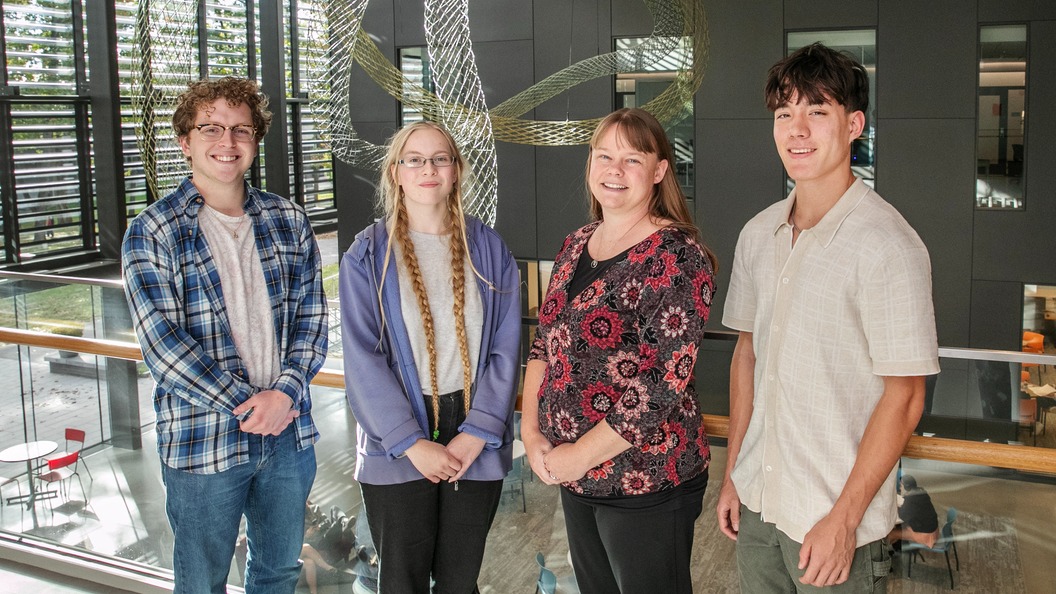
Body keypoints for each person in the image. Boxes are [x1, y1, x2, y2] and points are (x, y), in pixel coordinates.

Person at [716, 42, 940, 592]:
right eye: (784, 113)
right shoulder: (756, 233)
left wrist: (844, 521)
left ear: (853, 124)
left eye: (817, 112)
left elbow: (905, 396)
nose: (798, 130)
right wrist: (732, 478)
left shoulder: (889, 245)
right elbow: (747, 358)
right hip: (757, 507)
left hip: (834, 526)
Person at [122, 77, 327, 593]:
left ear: (255, 140)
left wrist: (284, 394)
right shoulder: (153, 231)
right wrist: (251, 404)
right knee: (201, 581)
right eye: (210, 128)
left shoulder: (288, 220)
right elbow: (163, 348)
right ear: (185, 140)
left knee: (278, 572)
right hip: (201, 442)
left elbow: (312, 320)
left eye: (240, 130)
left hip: (287, 436)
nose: (227, 142)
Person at [520, 107, 717, 594]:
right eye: (604, 155)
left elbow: (660, 385)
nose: (614, 169)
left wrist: (578, 456)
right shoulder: (576, 243)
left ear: (659, 171)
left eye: (632, 159)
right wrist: (529, 433)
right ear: (589, 165)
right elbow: (544, 343)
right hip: (573, 473)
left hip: (645, 480)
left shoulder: (677, 256)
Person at [339, 120, 521, 593]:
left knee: (461, 582)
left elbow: (505, 347)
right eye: (414, 159)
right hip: (397, 434)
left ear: (456, 170)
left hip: (472, 432)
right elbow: (362, 357)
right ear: (395, 172)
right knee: (402, 581)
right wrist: (410, 443)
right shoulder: (368, 254)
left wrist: (479, 432)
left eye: (439, 158)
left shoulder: (489, 248)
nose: (428, 169)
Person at [887, 475, 939, 549]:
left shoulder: (911, 500)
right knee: (899, 530)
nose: (900, 487)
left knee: (890, 534)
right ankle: (897, 549)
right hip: (933, 531)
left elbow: (901, 516)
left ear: (906, 487)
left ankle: (889, 555)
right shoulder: (921, 493)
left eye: (901, 485)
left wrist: (894, 506)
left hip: (926, 536)